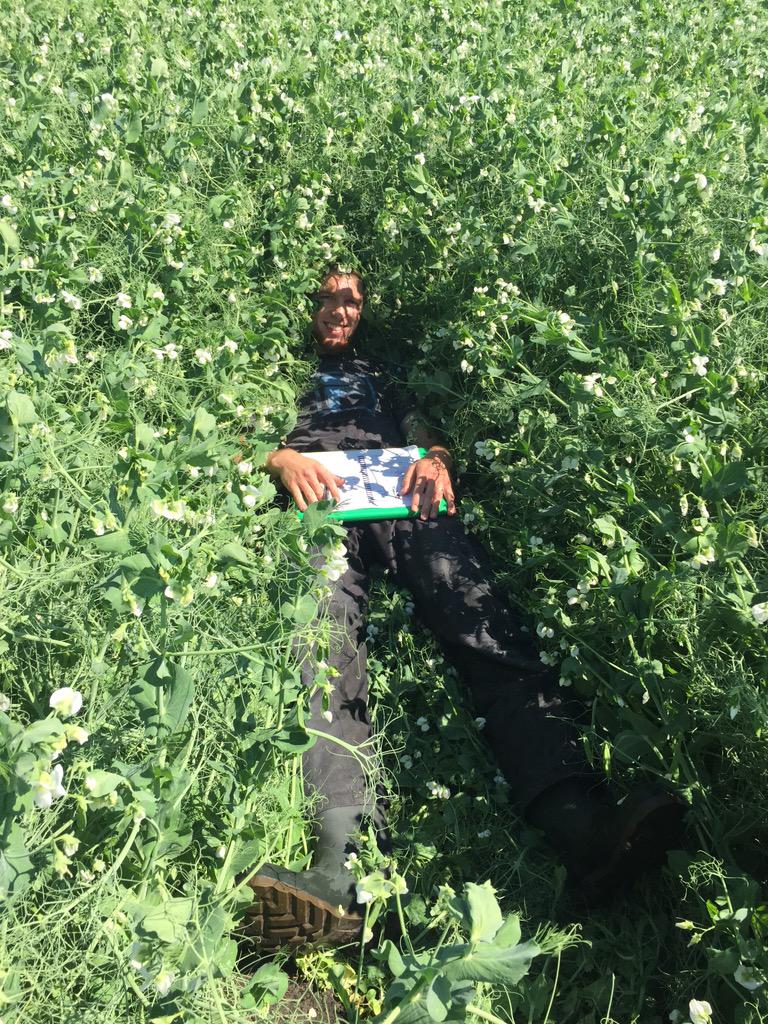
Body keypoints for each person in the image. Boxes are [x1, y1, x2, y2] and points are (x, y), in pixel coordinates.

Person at [240, 265, 685, 951]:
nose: (339, 309)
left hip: (402, 493)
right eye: (327, 297)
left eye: (352, 300)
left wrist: (438, 458)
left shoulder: (383, 375)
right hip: (319, 505)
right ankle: (345, 873)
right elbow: (233, 434)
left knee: (482, 622)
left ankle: (581, 825)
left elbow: (428, 429)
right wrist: (279, 459)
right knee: (324, 649)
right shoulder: (275, 366)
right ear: (305, 304)